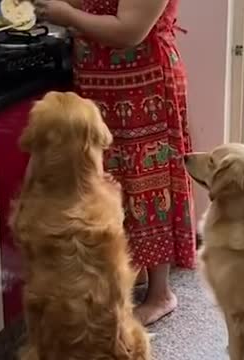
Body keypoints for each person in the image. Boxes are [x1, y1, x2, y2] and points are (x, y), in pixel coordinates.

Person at [33, 0, 195, 325]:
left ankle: (161, 293)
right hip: (98, 83)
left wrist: (65, 15)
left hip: (143, 86)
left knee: (146, 184)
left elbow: (129, 32)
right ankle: (124, 277)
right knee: (104, 184)